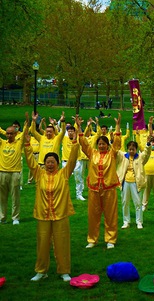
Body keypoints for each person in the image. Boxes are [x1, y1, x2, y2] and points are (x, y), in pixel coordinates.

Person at [24, 119, 79, 282]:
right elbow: (30, 162)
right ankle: (41, 270)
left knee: (62, 243)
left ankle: (64, 271)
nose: (49, 164)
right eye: (47, 162)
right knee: (42, 244)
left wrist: (75, 143)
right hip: (43, 215)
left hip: (60, 214)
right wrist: (27, 146)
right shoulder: (39, 174)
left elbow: (72, 160)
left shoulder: (63, 174)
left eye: (52, 162)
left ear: (56, 163)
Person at [78, 114, 122, 249]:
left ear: (107, 145)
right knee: (93, 215)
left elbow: (117, 143)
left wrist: (118, 126)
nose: (102, 145)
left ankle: (110, 239)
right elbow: (83, 144)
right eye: (100, 144)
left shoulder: (112, 153)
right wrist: (79, 127)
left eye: (104, 144)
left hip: (109, 189)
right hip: (94, 189)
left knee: (110, 214)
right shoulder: (92, 153)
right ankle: (92, 239)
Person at [0, 115, 28, 225]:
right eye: (7, 133)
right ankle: (2, 218)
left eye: (11, 133)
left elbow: (25, 130)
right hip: (2, 172)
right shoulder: (2, 143)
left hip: (15, 173)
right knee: (2, 197)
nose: (9, 135)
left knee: (15, 197)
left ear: (16, 133)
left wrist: (28, 122)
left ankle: (15, 218)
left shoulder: (19, 143)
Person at [116, 141, 151, 229]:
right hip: (125, 182)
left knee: (138, 202)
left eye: (133, 149)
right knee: (125, 202)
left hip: (136, 183)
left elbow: (147, 153)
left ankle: (139, 222)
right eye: (129, 149)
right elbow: (115, 150)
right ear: (127, 149)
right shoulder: (123, 156)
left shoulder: (140, 157)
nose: (131, 151)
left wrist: (148, 145)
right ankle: (126, 221)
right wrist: (112, 141)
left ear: (136, 149)